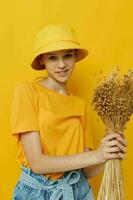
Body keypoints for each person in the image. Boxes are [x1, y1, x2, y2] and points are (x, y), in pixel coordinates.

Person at [10, 24, 127, 200]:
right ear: (42, 60)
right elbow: (37, 163)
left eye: (67, 56)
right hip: (38, 193)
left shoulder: (81, 105)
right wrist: (96, 155)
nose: (62, 65)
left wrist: (108, 154)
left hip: (78, 191)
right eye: (52, 58)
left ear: (74, 57)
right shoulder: (27, 91)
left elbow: (86, 170)